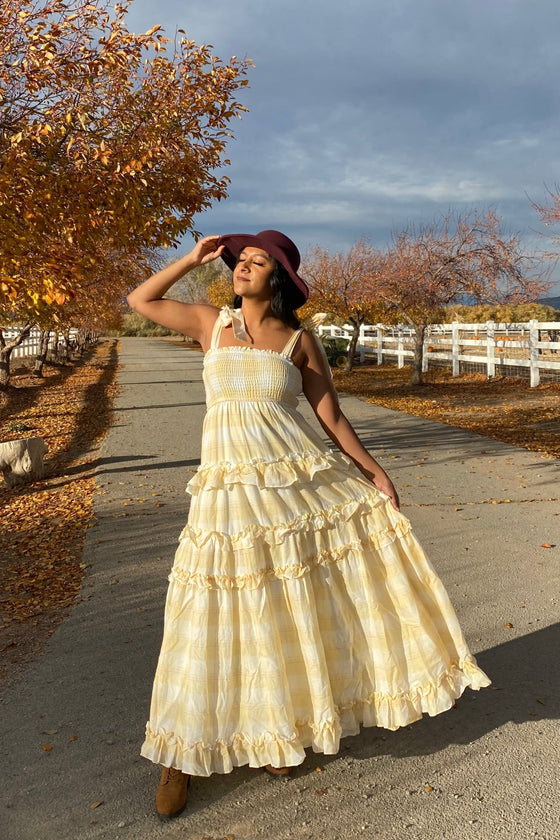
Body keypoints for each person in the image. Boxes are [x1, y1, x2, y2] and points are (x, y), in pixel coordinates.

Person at [126, 229, 490, 820]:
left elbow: (333, 418)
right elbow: (140, 301)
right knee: (202, 617)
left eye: (256, 262)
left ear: (279, 279)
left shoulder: (299, 342)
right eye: (239, 261)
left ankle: (276, 730)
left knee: (277, 612)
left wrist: (374, 474)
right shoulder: (208, 323)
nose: (242, 268)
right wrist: (191, 258)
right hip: (226, 500)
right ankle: (179, 758)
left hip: (290, 496)